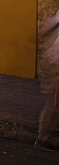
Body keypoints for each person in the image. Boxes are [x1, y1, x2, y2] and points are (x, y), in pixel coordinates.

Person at [37, 9, 59, 149]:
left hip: (53, 60)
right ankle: (42, 137)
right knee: (53, 102)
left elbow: (45, 29)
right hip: (56, 62)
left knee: (53, 101)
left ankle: (43, 136)